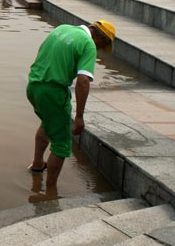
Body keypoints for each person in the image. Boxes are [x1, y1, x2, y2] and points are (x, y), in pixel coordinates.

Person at [26, 20, 116, 190]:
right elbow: (83, 81)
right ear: (101, 39)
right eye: (102, 47)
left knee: (48, 123)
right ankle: (50, 192)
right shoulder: (88, 44)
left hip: (33, 86)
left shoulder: (62, 29)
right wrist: (79, 116)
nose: (99, 51)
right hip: (53, 92)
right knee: (61, 144)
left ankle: (38, 164)